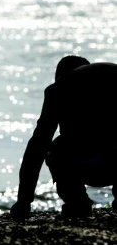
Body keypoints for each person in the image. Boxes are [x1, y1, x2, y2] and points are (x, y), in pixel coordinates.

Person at [10, 55, 117, 220]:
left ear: (59, 77)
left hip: (85, 162)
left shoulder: (59, 89)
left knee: (57, 147)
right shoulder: (110, 75)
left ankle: (78, 204)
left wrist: (23, 202)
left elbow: (36, 148)